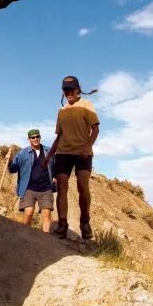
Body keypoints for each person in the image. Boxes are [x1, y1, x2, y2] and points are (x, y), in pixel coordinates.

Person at [44, 75, 99, 240]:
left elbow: (95, 129)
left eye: (70, 89)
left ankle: (85, 223)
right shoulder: (61, 111)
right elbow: (59, 136)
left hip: (83, 153)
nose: (68, 92)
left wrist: (87, 146)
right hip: (63, 153)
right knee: (62, 186)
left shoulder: (86, 105)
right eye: (65, 90)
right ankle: (62, 224)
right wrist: (49, 155)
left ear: (78, 90)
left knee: (83, 186)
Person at [8, 129, 54, 233]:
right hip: (29, 188)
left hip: (46, 188)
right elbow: (13, 169)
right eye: (33, 137)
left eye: (37, 136)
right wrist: (9, 161)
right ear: (29, 139)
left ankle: (45, 239)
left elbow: (55, 167)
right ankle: (26, 236)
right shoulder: (23, 153)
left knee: (46, 214)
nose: (35, 139)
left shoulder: (49, 151)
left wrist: (56, 177)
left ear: (40, 137)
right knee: (28, 213)